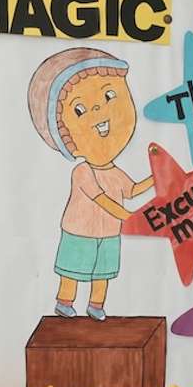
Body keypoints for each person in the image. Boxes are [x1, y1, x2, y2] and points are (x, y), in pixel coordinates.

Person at [27, 48, 153, 320]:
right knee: (73, 270)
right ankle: (64, 301)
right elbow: (102, 200)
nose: (98, 109)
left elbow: (131, 190)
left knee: (102, 272)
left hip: (109, 232)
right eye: (80, 109)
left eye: (109, 96)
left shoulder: (114, 172)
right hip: (79, 232)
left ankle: (96, 305)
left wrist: (157, 179)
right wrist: (130, 217)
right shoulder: (82, 172)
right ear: (66, 139)